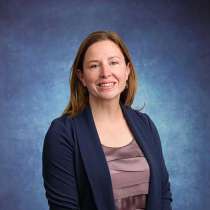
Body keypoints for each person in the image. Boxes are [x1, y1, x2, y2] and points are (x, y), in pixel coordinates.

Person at [42, 30, 173, 210]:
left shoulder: (145, 125)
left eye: (113, 62)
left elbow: (163, 195)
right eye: (94, 66)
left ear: (127, 71)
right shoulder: (62, 133)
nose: (106, 73)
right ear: (81, 77)